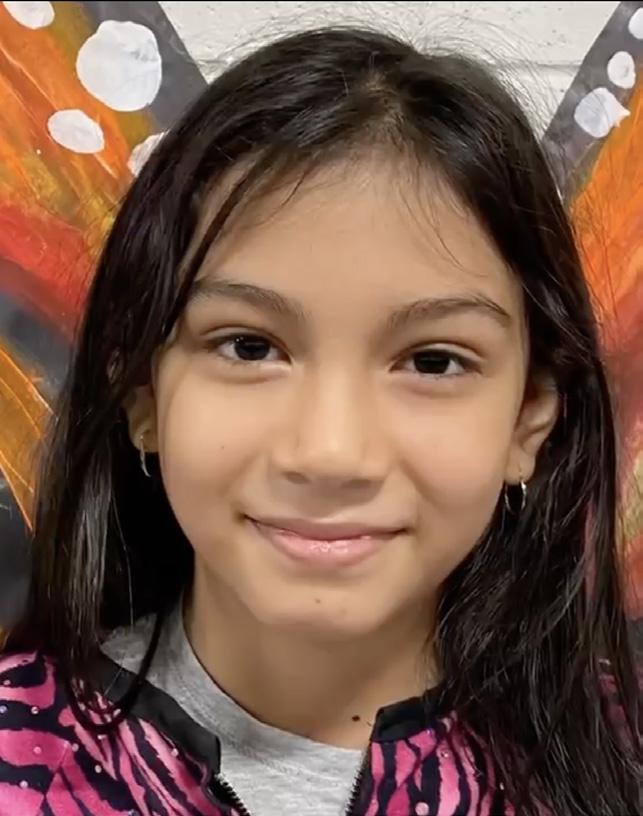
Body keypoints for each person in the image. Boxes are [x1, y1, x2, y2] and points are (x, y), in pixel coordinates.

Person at [0, 26, 638, 816]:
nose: (331, 453)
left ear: (527, 420)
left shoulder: (620, 750)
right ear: (142, 394)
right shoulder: (21, 755)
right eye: (248, 346)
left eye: (432, 361)